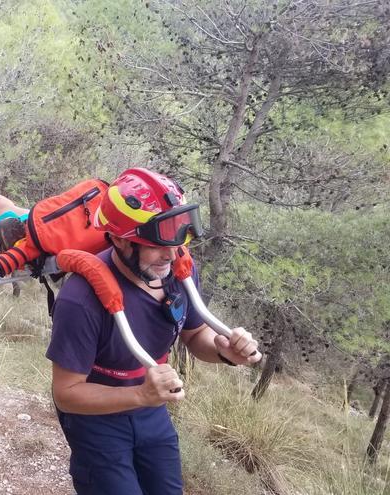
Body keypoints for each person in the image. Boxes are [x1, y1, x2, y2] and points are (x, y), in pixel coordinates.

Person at [46, 168, 262, 495]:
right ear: (119, 239)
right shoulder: (80, 301)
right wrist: (139, 395)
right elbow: (66, 392)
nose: (171, 254)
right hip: (96, 420)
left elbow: (194, 335)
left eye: (177, 240)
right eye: (157, 244)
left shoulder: (177, 273)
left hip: (151, 412)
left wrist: (223, 351)